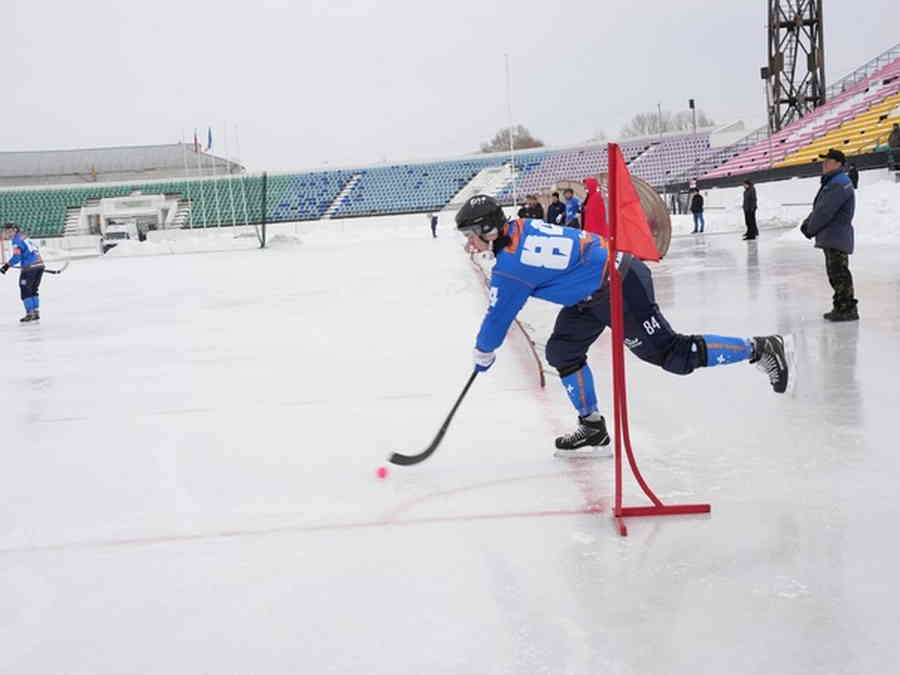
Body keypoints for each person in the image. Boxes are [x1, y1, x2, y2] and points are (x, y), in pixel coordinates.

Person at [456, 195, 791, 457]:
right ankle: (592, 426)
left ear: (489, 230)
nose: (470, 244)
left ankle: (759, 348)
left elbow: (497, 319)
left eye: (472, 236)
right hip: (591, 291)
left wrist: (483, 353)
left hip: (618, 284)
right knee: (563, 351)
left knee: (673, 355)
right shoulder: (521, 226)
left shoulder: (511, 267)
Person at [800, 148, 858, 322]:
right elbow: (821, 208)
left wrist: (810, 228)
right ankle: (841, 305)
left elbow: (825, 211)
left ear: (839, 164)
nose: (823, 164)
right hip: (834, 235)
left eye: (828, 161)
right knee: (837, 273)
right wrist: (809, 221)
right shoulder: (836, 181)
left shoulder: (838, 183)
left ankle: (847, 308)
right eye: (823, 161)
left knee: (839, 273)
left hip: (835, 235)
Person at [0, 222, 45, 322]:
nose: (7, 233)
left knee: (25, 290)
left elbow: (17, 257)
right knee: (33, 290)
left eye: (9, 231)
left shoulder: (16, 240)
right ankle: (36, 312)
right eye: (6, 231)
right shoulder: (24, 236)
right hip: (39, 265)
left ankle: (30, 313)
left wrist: (6, 266)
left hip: (30, 268)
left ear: (15, 230)